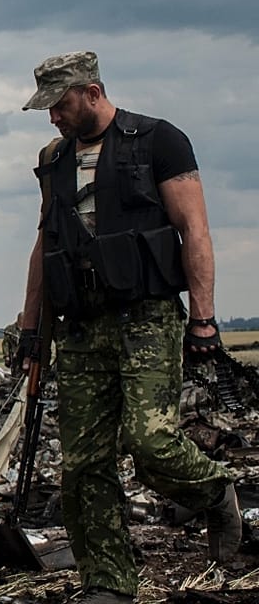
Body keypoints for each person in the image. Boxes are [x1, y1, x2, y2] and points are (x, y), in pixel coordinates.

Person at [16, 51, 242, 604]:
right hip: (81, 327)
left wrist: (205, 320)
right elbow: (46, 246)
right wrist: (31, 333)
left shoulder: (159, 141)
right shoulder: (53, 159)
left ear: (92, 92)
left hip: (147, 316)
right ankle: (109, 583)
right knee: (84, 464)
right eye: (46, 108)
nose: (53, 117)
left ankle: (215, 491)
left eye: (60, 104)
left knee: (151, 440)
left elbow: (196, 230)